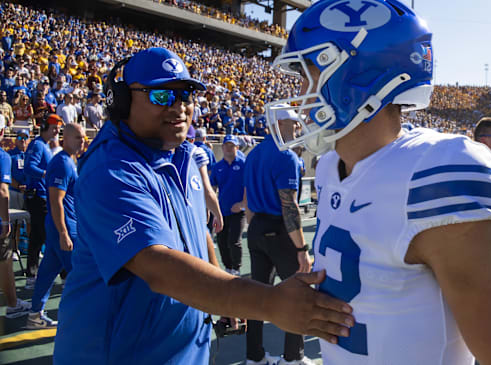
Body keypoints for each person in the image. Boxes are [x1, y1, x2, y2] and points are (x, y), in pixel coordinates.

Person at [265, 0, 491, 364]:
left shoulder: (437, 170)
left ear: (354, 76)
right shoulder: (329, 167)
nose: (299, 94)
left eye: (309, 74)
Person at [54, 47, 354, 364]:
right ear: (124, 100)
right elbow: (158, 267)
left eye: (186, 95)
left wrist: (225, 298)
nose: (180, 106)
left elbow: (198, 236)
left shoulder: (180, 155)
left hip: (181, 350)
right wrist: (270, 303)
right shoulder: (111, 169)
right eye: (162, 96)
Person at [244, 108, 311, 365]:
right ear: (281, 122)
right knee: (298, 291)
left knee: (257, 297)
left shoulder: (253, 154)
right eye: (294, 123)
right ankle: (293, 357)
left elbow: (249, 199)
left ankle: (254, 355)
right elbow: (289, 207)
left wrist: (256, 230)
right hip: (278, 228)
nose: (297, 128)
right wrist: (301, 247)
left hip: (257, 227)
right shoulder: (287, 157)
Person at [26, 123, 86, 329]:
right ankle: (80, 319)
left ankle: (35, 314)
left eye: (84, 137)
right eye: (78, 137)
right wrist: (63, 232)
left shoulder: (70, 161)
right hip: (65, 227)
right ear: (65, 139)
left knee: (48, 272)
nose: (83, 141)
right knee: (81, 274)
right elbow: (55, 200)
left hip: (62, 226)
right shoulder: (62, 163)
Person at [24, 113, 63, 287]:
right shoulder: (38, 145)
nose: (57, 131)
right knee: (49, 235)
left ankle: (32, 275)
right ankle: (64, 274)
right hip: (38, 197)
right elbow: (29, 167)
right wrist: (47, 174)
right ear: (46, 127)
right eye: (54, 127)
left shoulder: (45, 146)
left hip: (41, 195)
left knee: (38, 237)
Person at [0, 114, 32, 318]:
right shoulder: (3, 156)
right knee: (5, 260)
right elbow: (2, 191)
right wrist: (4, 221)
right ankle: (12, 303)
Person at [209, 134, 246, 275]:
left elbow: (248, 186)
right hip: (222, 211)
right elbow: (212, 189)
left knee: (234, 241)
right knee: (222, 241)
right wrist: (211, 209)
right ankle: (228, 267)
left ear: (237, 147)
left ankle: (236, 268)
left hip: (238, 211)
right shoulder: (217, 167)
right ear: (223, 147)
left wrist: (242, 204)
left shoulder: (243, 164)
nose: (229, 148)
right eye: (226, 146)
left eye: (232, 146)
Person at [8, 129, 30, 210]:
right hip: (14, 192)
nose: (23, 140)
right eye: (20, 138)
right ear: (16, 140)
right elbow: (6, 174)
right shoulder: (10, 155)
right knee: (15, 219)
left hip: (29, 193)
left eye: (25, 138)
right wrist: (18, 186)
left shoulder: (32, 155)